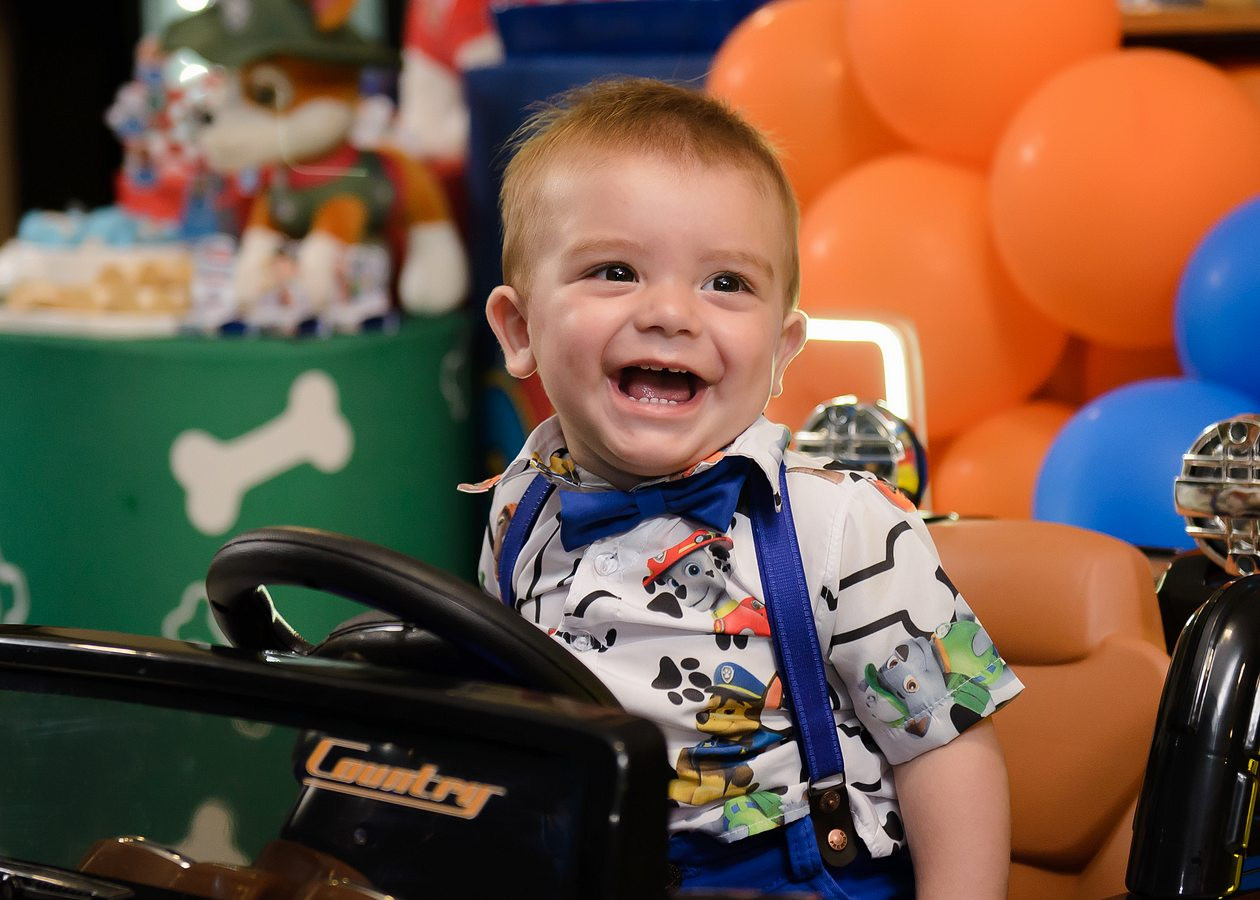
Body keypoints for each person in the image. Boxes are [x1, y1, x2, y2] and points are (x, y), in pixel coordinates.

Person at [462, 77, 1021, 899]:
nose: (671, 313)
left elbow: (947, 746)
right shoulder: (520, 506)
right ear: (520, 330)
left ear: (782, 350)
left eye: (726, 283)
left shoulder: (841, 526)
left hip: (787, 869)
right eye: (615, 270)